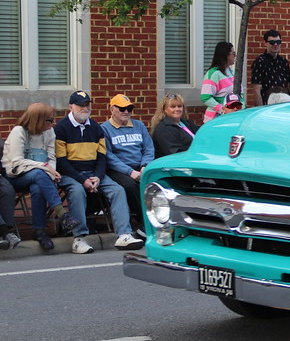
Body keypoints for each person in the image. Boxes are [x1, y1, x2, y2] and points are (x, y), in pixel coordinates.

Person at [54, 91, 144, 253]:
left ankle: (124, 235)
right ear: (71, 107)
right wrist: (82, 179)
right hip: (70, 174)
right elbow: (61, 162)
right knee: (77, 191)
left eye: (87, 105)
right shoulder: (61, 128)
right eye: (80, 105)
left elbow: (102, 158)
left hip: (93, 173)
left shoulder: (96, 127)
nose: (84, 108)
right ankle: (79, 239)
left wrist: (98, 176)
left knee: (117, 190)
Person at [2, 103, 75, 251]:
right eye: (50, 120)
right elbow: (17, 161)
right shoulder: (19, 132)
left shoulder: (49, 132)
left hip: (39, 177)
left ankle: (39, 231)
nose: (53, 123)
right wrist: (45, 167)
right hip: (15, 176)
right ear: (38, 120)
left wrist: (51, 173)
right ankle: (62, 214)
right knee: (39, 174)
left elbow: (51, 157)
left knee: (38, 186)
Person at [101, 94, 154, 232]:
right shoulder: (105, 128)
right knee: (130, 185)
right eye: (122, 108)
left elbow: (148, 148)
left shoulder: (139, 125)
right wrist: (129, 172)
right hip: (118, 170)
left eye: (129, 109)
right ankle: (145, 224)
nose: (126, 112)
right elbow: (109, 156)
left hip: (140, 166)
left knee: (156, 183)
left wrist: (145, 166)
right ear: (112, 109)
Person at [150, 93, 199, 158]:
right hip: (177, 161)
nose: (177, 109)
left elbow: (200, 136)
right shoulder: (163, 128)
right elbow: (174, 151)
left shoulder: (186, 123)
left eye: (179, 106)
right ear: (165, 109)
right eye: (173, 107)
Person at [250, 29, 290, 106]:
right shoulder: (259, 62)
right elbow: (256, 89)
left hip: (284, 103)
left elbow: (288, 86)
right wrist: (260, 109)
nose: (275, 45)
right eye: (272, 42)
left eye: (278, 42)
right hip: (267, 104)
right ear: (265, 43)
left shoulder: (284, 62)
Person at [201, 41, 236, 122]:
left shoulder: (232, 72)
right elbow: (205, 97)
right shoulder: (213, 73)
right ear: (226, 55)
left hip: (231, 118)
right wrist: (223, 109)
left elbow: (240, 95)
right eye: (233, 53)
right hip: (215, 120)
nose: (235, 56)